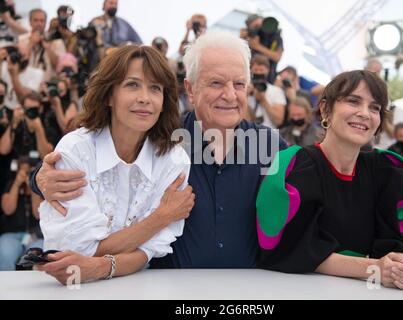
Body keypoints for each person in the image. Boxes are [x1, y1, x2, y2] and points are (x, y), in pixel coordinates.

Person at [31, 31, 287, 269]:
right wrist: (39, 179)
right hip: (165, 290)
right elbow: (98, 152)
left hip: (248, 292)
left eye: (239, 84)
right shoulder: (162, 137)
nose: (230, 95)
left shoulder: (270, 146)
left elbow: (311, 186)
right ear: (190, 89)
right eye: (216, 83)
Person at [256, 70, 403, 290]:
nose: (365, 113)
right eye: (353, 101)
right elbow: (290, 248)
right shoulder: (295, 167)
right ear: (325, 110)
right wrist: (373, 268)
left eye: (374, 107)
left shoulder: (385, 171)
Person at [33, 45, 194, 285]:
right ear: (109, 95)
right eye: (132, 84)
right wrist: (161, 217)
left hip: (139, 288)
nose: (145, 98)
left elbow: (149, 250)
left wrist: (100, 266)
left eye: (155, 88)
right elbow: (76, 251)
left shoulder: (174, 159)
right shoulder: (76, 149)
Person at [0, 156, 43, 270]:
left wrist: (33, 186)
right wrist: (16, 184)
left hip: (36, 236)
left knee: (39, 252)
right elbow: (8, 210)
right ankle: (6, 286)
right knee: (5, 252)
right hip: (12, 235)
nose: (25, 174)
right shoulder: (10, 185)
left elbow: (38, 214)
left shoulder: (39, 188)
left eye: (28, 171)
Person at [240, 14, 283, 84]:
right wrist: (241, 39)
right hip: (248, 78)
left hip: (268, 79)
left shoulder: (275, 37)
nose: (260, 28)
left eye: (261, 24)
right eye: (256, 26)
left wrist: (257, 46)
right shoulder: (249, 37)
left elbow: (277, 57)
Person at [247, 54, 286, 128]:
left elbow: (278, 121)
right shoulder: (245, 89)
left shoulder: (277, 91)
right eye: (256, 70)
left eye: (261, 70)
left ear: (267, 71)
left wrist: (263, 101)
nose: (258, 73)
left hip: (268, 135)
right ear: (251, 70)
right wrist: (245, 96)